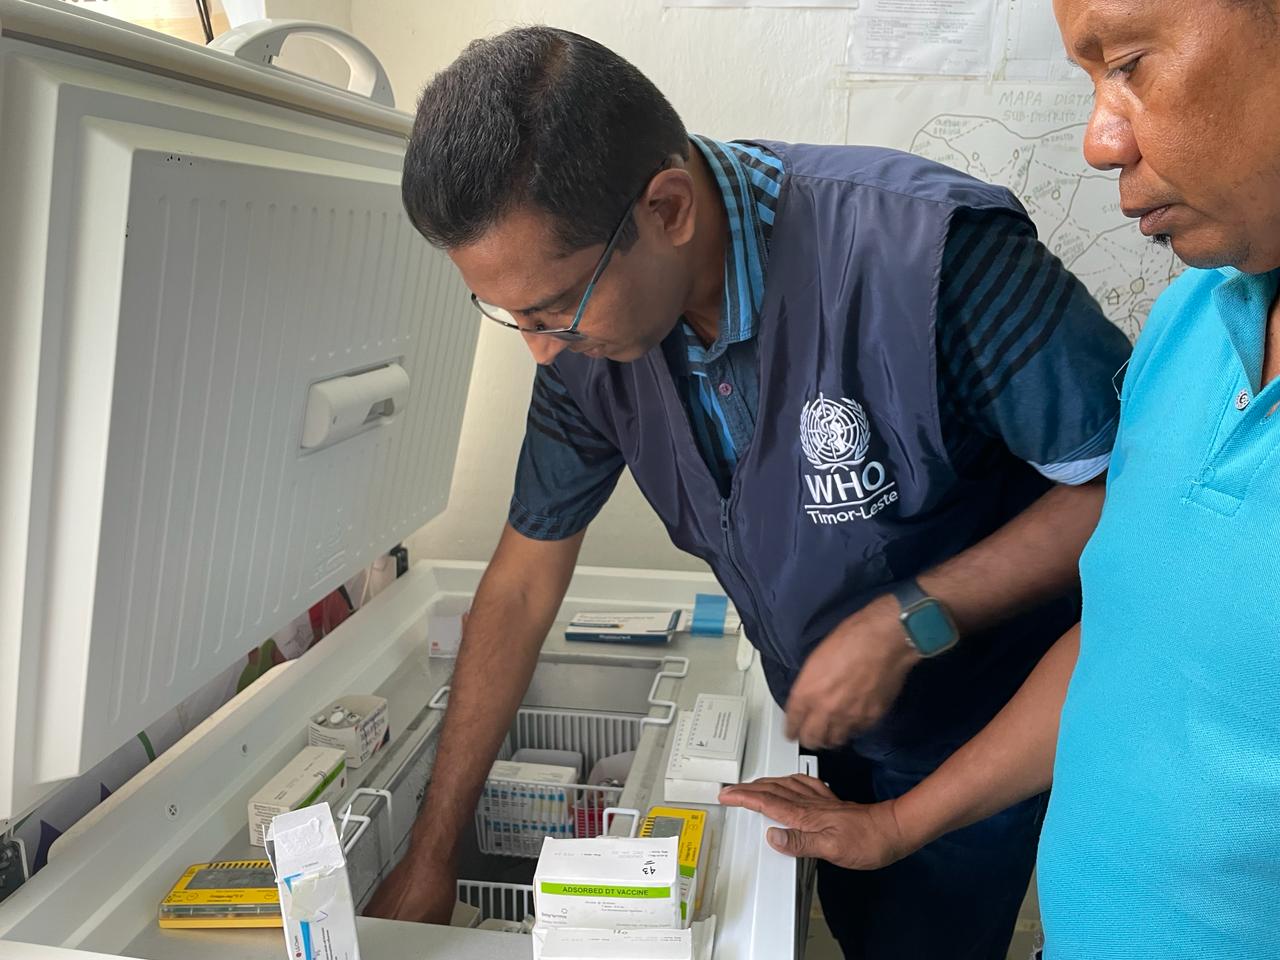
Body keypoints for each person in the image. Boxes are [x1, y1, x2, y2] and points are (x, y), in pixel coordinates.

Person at [364, 26, 1132, 958]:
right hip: (823, 719)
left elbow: (1130, 494)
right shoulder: (583, 347)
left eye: (555, 306)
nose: (539, 347)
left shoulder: (931, 256)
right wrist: (433, 854)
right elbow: (523, 583)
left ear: (669, 208)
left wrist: (908, 620)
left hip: (978, 726)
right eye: (510, 313)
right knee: (857, 922)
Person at [720, 0, 1280, 956]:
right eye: (1090, 80)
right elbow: (1126, 646)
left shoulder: (938, 250)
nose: (1100, 142)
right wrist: (895, 827)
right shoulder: (1191, 322)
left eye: (1129, 63)